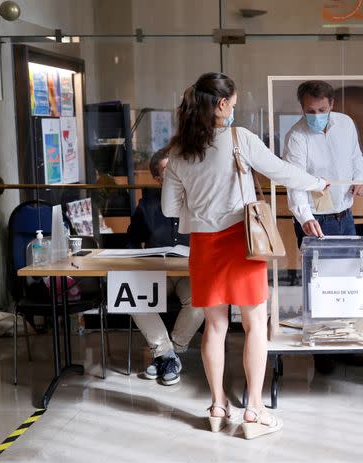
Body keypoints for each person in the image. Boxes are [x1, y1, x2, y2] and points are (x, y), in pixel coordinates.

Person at [162, 72, 328, 439]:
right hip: (243, 242)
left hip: (204, 247)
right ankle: (254, 409)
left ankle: (218, 405)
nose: (234, 111)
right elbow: (280, 171)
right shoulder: (240, 139)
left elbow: (170, 210)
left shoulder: (177, 152)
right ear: (221, 105)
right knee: (255, 324)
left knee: (215, 327)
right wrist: (317, 183)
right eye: (233, 105)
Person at [283, 80, 363, 375]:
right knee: (319, 284)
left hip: (343, 215)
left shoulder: (345, 124)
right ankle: (322, 350)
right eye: (310, 110)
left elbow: (356, 158)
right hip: (314, 219)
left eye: (321, 109)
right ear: (302, 108)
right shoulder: (297, 137)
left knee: (348, 282)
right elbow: (294, 183)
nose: (316, 114)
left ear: (331, 105)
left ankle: (346, 342)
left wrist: (361, 180)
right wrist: (304, 217)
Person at [126, 148, 205, 386]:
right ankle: (167, 355)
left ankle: (168, 353)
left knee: (200, 300)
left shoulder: (197, 200)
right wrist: (136, 260)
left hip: (187, 273)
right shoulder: (147, 205)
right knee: (132, 298)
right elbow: (131, 240)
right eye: (166, 171)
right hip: (157, 272)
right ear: (158, 179)